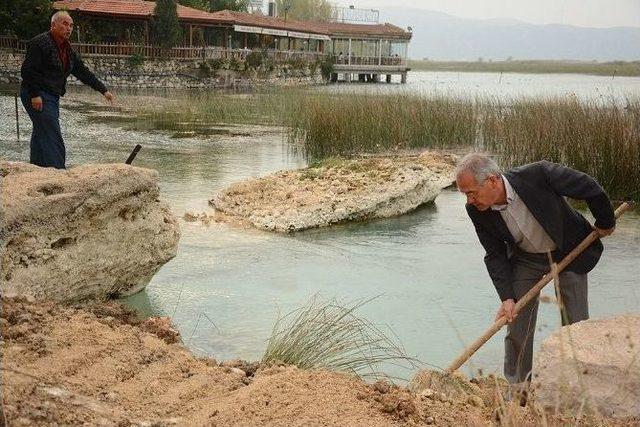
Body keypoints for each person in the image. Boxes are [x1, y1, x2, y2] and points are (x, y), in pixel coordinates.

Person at [455, 153, 615, 402]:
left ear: (493, 181)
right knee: (517, 323)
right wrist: (507, 297)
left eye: (472, 192)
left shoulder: (538, 174)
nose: (470, 199)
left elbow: (588, 186)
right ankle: (518, 391)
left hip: (568, 251)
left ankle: (580, 389)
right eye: (466, 194)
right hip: (527, 259)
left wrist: (605, 221)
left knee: (576, 324)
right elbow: (494, 253)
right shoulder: (477, 210)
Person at [20, 11, 114, 169]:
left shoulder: (68, 50)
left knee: (42, 131)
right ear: (53, 25)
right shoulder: (40, 42)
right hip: (35, 93)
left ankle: (37, 169)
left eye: (71, 25)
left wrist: (103, 90)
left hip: (52, 96)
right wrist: (35, 95)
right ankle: (58, 171)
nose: (68, 28)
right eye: (64, 24)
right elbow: (28, 70)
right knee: (52, 134)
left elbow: (83, 72)